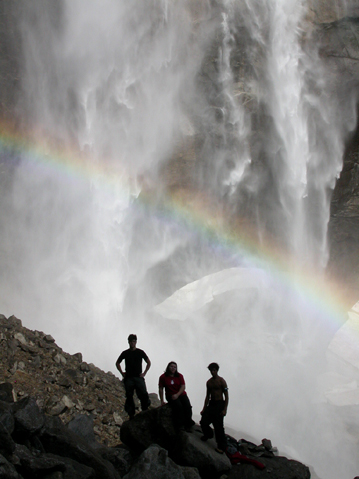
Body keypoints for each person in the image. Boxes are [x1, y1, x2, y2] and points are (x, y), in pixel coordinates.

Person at [116, 334, 151, 419]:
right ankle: (131, 414)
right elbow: (117, 363)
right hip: (129, 377)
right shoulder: (125, 353)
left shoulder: (140, 352)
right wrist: (122, 373)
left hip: (138, 377)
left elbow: (148, 362)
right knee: (129, 396)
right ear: (129, 342)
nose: (132, 343)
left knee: (143, 394)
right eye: (131, 341)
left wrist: (144, 373)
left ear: (136, 342)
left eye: (134, 341)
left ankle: (145, 410)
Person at [200, 362, 229, 453]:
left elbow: (226, 395)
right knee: (203, 421)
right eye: (211, 370)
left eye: (214, 370)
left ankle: (222, 446)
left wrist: (225, 409)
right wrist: (204, 408)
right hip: (212, 404)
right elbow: (207, 396)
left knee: (218, 426)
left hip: (220, 404)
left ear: (217, 370)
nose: (213, 372)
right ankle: (208, 434)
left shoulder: (221, 381)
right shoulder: (209, 382)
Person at [158, 361, 195, 431]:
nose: (173, 368)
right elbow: (160, 389)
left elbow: (183, 386)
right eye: (171, 366)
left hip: (181, 394)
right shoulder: (163, 377)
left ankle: (188, 424)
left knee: (187, 406)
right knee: (179, 406)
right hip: (170, 395)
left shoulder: (179, 376)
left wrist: (177, 394)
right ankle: (180, 425)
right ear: (168, 367)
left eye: (175, 367)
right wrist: (162, 400)